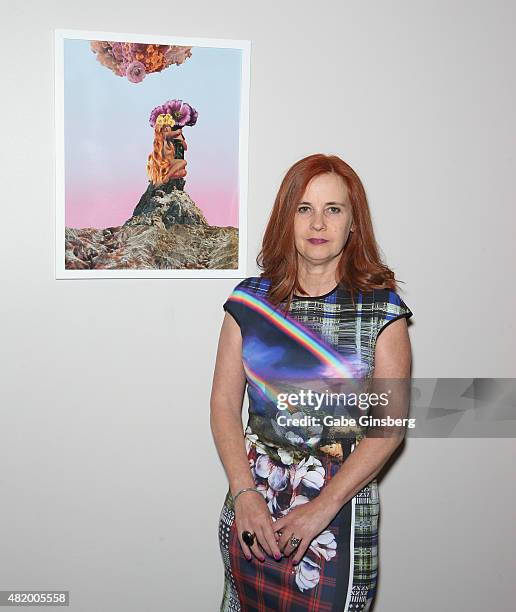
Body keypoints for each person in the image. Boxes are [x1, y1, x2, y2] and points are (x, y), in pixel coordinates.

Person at [210, 153, 413, 611]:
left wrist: (322, 509)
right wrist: (244, 496)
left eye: (333, 209)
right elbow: (223, 405)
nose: (317, 222)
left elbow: (389, 429)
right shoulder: (249, 303)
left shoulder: (382, 312)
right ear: (288, 218)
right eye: (304, 208)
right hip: (252, 512)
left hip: (338, 522)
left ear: (352, 223)